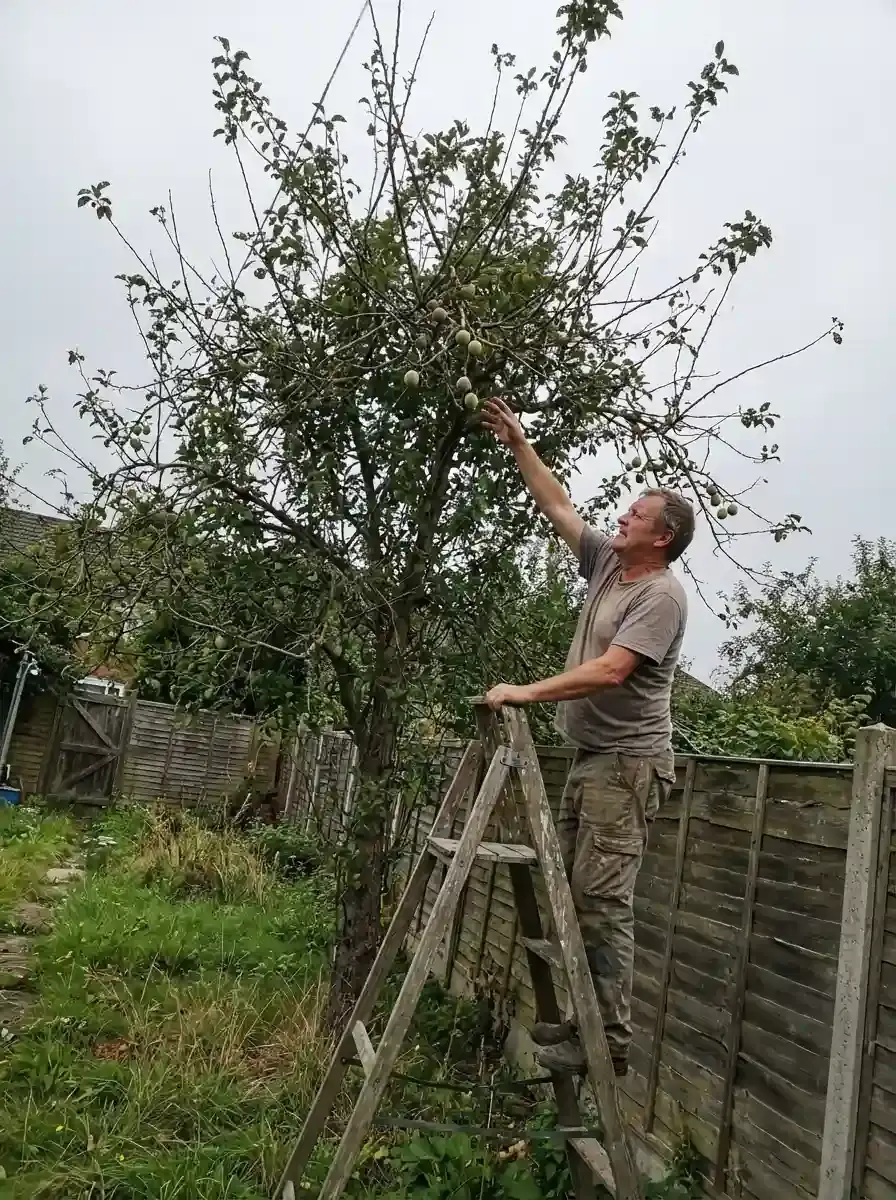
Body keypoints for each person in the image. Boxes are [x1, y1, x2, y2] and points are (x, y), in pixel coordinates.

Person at [480, 396, 693, 1079]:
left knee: (602, 902)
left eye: (637, 513)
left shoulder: (660, 595)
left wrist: (524, 691)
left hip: (628, 768)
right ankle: (581, 1020)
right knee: (570, 893)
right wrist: (520, 443)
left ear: (661, 537)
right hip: (593, 759)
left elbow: (611, 671)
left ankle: (611, 1042)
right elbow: (560, 507)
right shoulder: (608, 564)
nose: (622, 516)